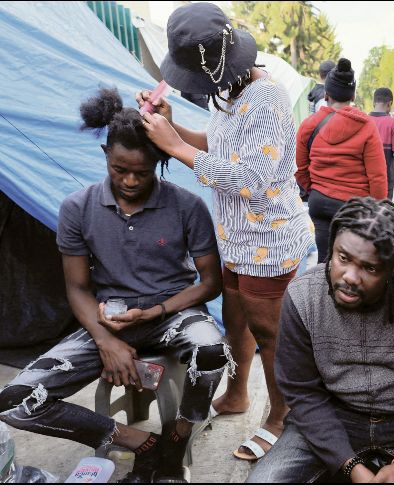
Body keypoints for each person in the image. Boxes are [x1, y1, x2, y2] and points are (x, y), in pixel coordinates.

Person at [0, 87, 229, 483]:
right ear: (106, 154)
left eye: (142, 172)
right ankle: (142, 443)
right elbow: (77, 288)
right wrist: (106, 341)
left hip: (173, 314)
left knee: (212, 351)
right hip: (110, 320)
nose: (130, 180)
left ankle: (177, 438)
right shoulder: (78, 207)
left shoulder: (187, 205)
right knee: (14, 401)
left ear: (158, 161)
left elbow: (210, 283)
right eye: (120, 169)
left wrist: (155, 311)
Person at [137, 2, 313, 462]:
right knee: (236, 322)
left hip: (269, 239)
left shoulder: (267, 98)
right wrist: (171, 125)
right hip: (236, 236)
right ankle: (237, 394)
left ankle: (281, 417)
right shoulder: (232, 95)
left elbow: (249, 178)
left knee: (268, 332)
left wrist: (174, 147)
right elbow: (217, 145)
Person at [247, 197, 394, 483]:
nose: (350, 277)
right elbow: (302, 393)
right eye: (342, 258)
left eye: (370, 268)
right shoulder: (303, 296)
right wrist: (350, 466)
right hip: (332, 418)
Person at [295, 58, 388, 264]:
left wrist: (315, 189)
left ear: (326, 94)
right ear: (353, 95)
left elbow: (300, 168)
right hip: (353, 207)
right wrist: (376, 211)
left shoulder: (309, 125)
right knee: (348, 264)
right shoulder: (366, 126)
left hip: (319, 202)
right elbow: (378, 177)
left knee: (324, 261)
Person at [369, 87, 394, 200]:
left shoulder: (364, 120)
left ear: (373, 103)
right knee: (383, 209)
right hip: (385, 179)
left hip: (365, 179)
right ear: (390, 104)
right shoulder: (393, 124)